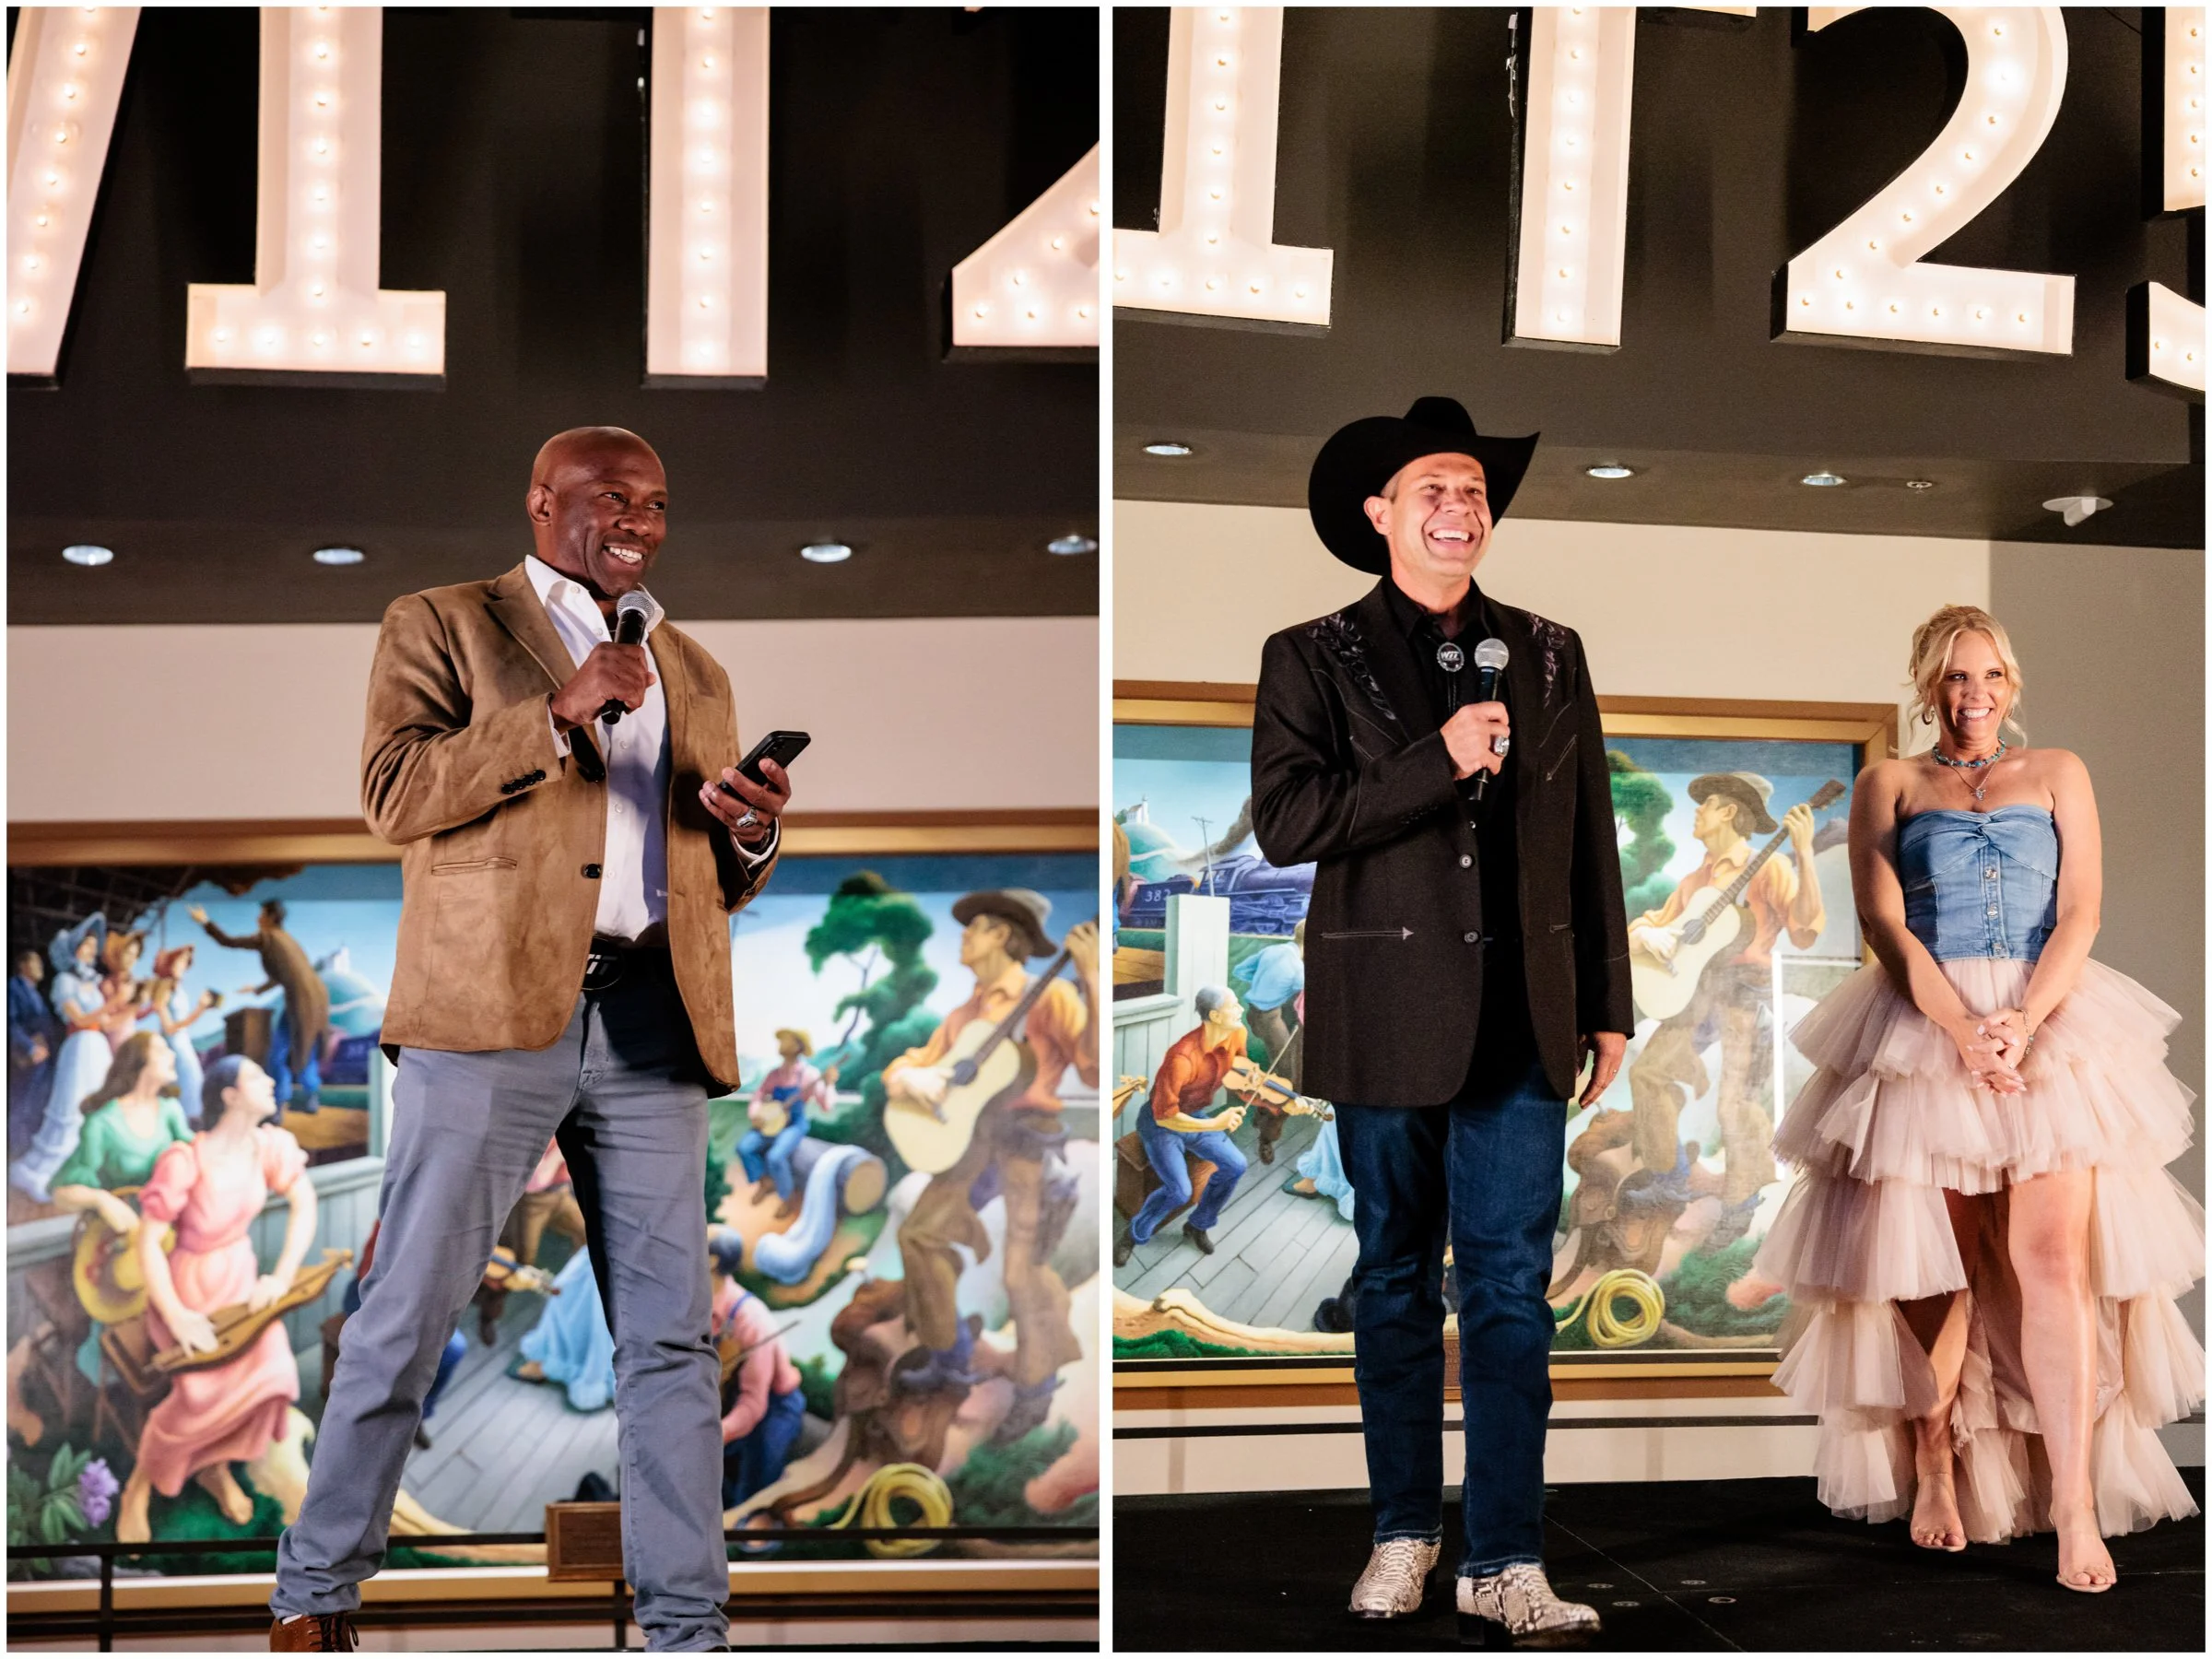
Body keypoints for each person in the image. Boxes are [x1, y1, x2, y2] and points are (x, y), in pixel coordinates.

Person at [269, 426, 792, 1653]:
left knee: (670, 1341)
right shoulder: (443, 624)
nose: (640, 523)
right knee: (406, 1311)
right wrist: (555, 713)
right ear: (542, 502)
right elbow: (394, 793)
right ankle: (314, 1598)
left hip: (656, 1020)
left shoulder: (693, 666)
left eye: (658, 503)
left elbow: (708, 866)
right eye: (613, 499)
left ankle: (685, 1629)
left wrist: (752, 831)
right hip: (483, 1021)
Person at [1250, 397, 1632, 1642]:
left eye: (1473, 490)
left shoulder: (1555, 650)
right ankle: (1406, 1535)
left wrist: (1610, 1003)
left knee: (1514, 1292)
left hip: (1528, 1018)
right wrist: (1441, 756)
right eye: (1434, 490)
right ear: (1380, 514)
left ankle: (1507, 1560)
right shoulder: (1310, 654)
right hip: (1382, 1020)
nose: (1460, 509)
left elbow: (1587, 838)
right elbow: (1291, 822)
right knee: (1396, 1280)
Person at [1754, 605, 2204, 1593]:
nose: (1975, 697)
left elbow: (2082, 911)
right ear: (1929, 687)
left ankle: (2076, 1503)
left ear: (2012, 683)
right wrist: (1962, 1031)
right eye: (1957, 679)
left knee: (2052, 1265)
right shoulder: (1891, 783)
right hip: (1925, 1026)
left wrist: (2024, 1025)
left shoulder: (2061, 773)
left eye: (1991, 677)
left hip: (2049, 1024)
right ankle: (1936, 1463)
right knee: (1939, 1270)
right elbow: (1883, 922)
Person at [881, 893, 1098, 1441]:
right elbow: (916, 1062)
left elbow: (1094, 1070)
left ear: (1003, 935)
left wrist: (1093, 977)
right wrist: (911, 1079)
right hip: (972, 1143)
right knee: (919, 1234)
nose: (963, 937)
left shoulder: (1049, 999)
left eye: (974, 927)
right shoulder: (969, 1012)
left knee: (1022, 1272)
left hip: (1027, 1145)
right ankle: (951, 1355)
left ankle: (1035, 1386)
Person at [114, 1055, 319, 1544]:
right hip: (186, 1289)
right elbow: (148, 1242)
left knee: (273, 1376)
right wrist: (178, 1314)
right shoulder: (185, 1159)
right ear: (228, 1095)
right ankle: (138, 1488)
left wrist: (280, 1277)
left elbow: (305, 1203)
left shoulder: (267, 1146)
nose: (272, 1079)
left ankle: (215, 1468)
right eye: (258, 1076)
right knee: (199, 1396)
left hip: (243, 1283)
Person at [1626, 772, 1826, 1233]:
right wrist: (1646, 934)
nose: (1696, 812)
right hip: (1695, 993)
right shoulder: (1696, 879)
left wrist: (1806, 854)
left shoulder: (1768, 866)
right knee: (1647, 1072)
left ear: (1730, 812)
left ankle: (1741, 1203)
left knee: (1735, 1102)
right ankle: (1669, 1175)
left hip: (1743, 994)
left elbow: (1805, 931)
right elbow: (1653, 923)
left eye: (1706, 804)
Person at [49, 1032, 197, 1381]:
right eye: (162, 1050)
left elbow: (195, 1159)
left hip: (168, 1236)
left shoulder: (171, 1111)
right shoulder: (103, 1122)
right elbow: (61, 1190)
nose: (172, 1056)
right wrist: (101, 1199)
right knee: (128, 1334)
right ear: (139, 1062)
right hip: (122, 1242)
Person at [1112, 986, 1276, 1265]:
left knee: (1235, 1165)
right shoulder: (1182, 1057)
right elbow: (1165, 1115)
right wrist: (1216, 1123)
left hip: (1196, 1116)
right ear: (1214, 1014)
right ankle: (1133, 1234)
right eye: (1234, 1006)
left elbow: (1243, 1077)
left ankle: (1198, 1224)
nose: (1241, 1010)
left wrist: (1278, 1101)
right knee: (1180, 1191)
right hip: (1160, 1123)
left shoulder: (1237, 1034)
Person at [11, 916, 123, 1204]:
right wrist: (110, 1003)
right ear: (74, 948)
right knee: (73, 1107)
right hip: (80, 1046)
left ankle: (92, 1171)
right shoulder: (65, 981)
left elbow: (107, 1022)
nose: (90, 951)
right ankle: (46, 1174)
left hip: (98, 1047)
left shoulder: (92, 982)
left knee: (100, 1106)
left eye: (93, 947)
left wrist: (133, 1005)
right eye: (85, 945)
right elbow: (81, 1018)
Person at [191, 901, 329, 1113]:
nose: (258, 919)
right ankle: (305, 1097)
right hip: (314, 999)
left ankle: (283, 1100)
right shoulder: (288, 940)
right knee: (303, 1046)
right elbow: (286, 973)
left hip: (301, 1001)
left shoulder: (268, 937)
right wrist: (257, 989)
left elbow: (229, 941)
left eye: (261, 914)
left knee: (287, 1050)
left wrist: (206, 922)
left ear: (271, 917)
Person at [707, 1232, 805, 1510]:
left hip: (772, 1409)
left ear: (713, 1261)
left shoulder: (750, 1319)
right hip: (726, 1398)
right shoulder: (698, 1300)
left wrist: (713, 1434)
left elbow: (753, 1404)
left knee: (751, 1498)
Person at [1232, 921, 1307, 1159]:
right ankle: (1266, 1135)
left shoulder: (1273, 951)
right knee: (1287, 1083)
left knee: (1289, 1071)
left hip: (1253, 1012)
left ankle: (1263, 1114)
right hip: (1269, 1018)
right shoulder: (1298, 970)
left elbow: (1240, 971)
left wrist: (1265, 985)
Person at [739, 1029, 832, 1218]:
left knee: (775, 1157)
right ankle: (765, 1182)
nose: (781, 1044)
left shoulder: (809, 1074)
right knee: (744, 1147)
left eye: (786, 1041)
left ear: (798, 1046)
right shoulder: (774, 1074)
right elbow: (758, 1095)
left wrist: (829, 1084)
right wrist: (755, 1115)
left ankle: (787, 1197)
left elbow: (826, 1105)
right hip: (771, 1123)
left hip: (794, 1125)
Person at [146, 946, 219, 1125]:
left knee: (193, 1084)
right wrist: (200, 1010)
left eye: (186, 963)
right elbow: (169, 1027)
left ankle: (190, 1126)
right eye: (180, 962)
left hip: (184, 1044)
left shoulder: (180, 990)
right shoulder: (164, 990)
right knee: (185, 1085)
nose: (183, 966)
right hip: (173, 1046)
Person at [9, 946, 60, 1160]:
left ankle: (25, 1150)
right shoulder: (13, 987)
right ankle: (12, 1151)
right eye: (36, 963)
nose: (40, 968)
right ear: (23, 965)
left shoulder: (36, 993)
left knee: (35, 1105)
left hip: (42, 1059)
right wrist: (30, 1047)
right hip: (25, 1057)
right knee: (20, 1104)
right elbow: (10, 1022)